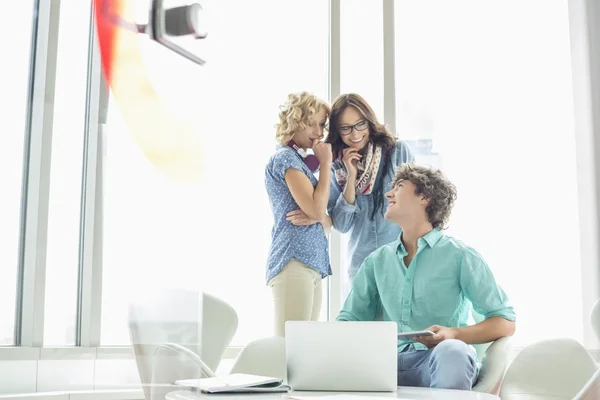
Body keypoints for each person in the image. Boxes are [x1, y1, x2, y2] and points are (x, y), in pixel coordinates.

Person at [337, 163, 516, 390]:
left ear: (425, 198)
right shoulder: (377, 261)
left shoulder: (460, 256)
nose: (388, 193)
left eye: (399, 186)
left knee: (453, 350)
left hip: (439, 361)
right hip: (384, 366)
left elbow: (505, 322)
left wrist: (453, 334)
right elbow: (349, 321)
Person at [288, 93, 414, 282]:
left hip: (401, 264)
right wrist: (351, 178)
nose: (355, 134)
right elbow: (341, 225)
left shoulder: (398, 152)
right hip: (361, 267)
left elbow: (416, 210)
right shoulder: (336, 167)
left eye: (360, 124)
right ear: (338, 132)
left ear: (369, 121)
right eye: (345, 128)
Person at [265, 91, 333, 337]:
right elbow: (317, 210)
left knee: (303, 349)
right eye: (310, 123)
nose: (318, 132)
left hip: (310, 264)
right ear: (294, 121)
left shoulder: (301, 162)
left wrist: (317, 215)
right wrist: (325, 164)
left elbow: (325, 221)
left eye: (321, 125)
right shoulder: (286, 158)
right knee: (289, 349)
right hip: (293, 261)